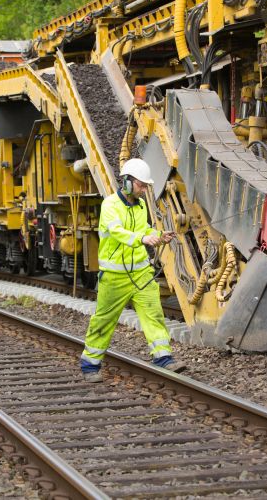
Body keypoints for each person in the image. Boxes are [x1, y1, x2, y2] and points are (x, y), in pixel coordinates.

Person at [80, 157, 186, 383]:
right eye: (141, 184)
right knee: (104, 320)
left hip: (141, 273)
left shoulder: (140, 206)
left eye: (146, 185)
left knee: (153, 313)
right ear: (127, 182)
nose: (144, 189)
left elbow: (144, 228)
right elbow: (117, 231)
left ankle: (163, 357)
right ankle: (90, 364)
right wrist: (143, 238)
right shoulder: (109, 205)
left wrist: (158, 236)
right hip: (114, 277)